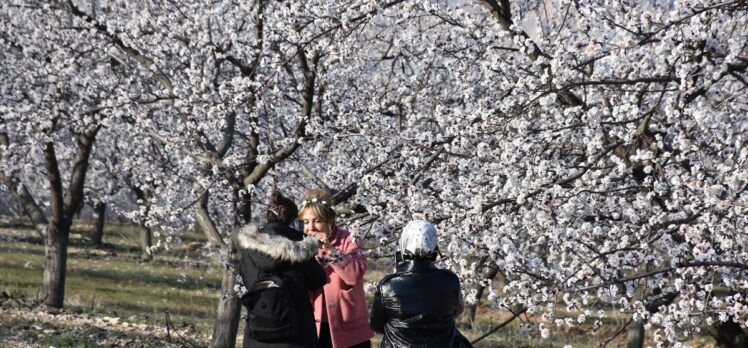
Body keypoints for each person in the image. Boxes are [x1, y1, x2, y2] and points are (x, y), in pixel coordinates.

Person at [237, 190, 328, 348]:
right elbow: (317, 280)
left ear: (268, 216)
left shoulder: (249, 246)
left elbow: (246, 279)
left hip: (259, 328)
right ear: (294, 219)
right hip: (295, 332)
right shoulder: (300, 245)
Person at [369, 220, 472, 348]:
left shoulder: (388, 286)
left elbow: (376, 325)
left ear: (403, 245)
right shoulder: (450, 281)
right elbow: (457, 311)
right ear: (435, 248)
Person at [299, 189, 374, 348]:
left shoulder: (350, 240)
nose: (310, 227)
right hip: (316, 327)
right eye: (306, 222)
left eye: (317, 221)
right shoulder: (303, 246)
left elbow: (353, 276)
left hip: (350, 329)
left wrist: (331, 250)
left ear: (330, 221)